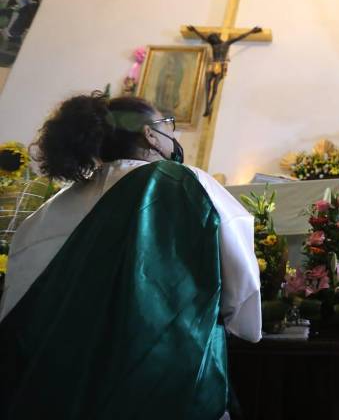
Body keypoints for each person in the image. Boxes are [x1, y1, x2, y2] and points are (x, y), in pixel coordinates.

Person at [0, 92, 261, 419]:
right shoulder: (189, 185)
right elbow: (246, 312)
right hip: (168, 392)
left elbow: (16, 320)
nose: (173, 135)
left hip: (58, 398)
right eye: (168, 125)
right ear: (150, 134)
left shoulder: (41, 217)